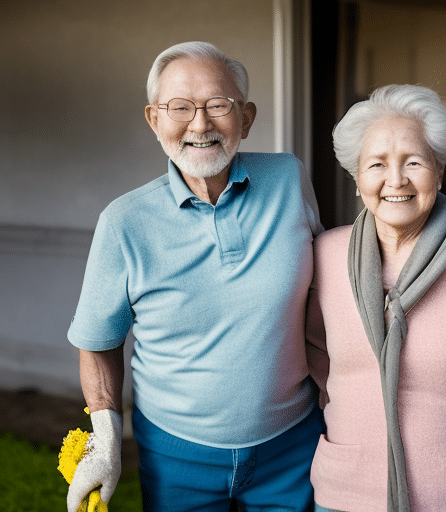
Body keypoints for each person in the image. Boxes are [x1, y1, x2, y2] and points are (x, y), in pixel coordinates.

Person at [67, 41, 324, 512]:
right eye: (179, 108)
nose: (200, 124)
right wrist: (105, 440)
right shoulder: (123, 222)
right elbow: (97, 341)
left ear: (246, 118)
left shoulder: (290, 178)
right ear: (154, 120)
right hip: (174, 455)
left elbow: (324, 292)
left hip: (294, 445)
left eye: (217, 106)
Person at [306, 84, 446, 512]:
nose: (395, 180)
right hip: (347, 491)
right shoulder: (324, 256)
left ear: (438, 170)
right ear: (357, 176)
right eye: (377, 164)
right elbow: (315, 359)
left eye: (414, 162)